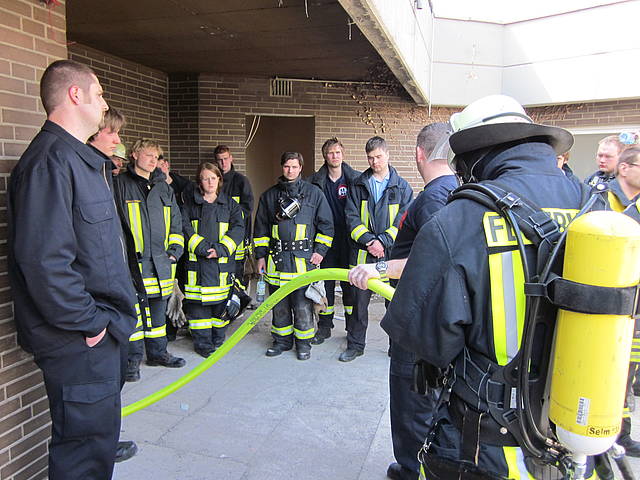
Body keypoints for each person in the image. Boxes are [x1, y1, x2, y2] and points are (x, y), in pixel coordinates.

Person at [382, 95, 602, 479]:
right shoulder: (595, 209)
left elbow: (426, 345)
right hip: (577, 435)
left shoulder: (459, 219)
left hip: (487, 447)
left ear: (475, 153)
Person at [8, 59, 138, 479]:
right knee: (83, 455)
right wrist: (91, 323)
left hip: (97, 333)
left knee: (96, 444)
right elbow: (44, 262)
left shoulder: (79, 160)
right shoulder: (50, 162)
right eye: (99, 94)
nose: (104, 104)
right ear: (75, 94)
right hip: (80, 339)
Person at [349, 123, 457, 480]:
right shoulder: (454, 191)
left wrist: (378, 268)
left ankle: (413, 469)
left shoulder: (434, 198)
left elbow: (436, 258)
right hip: (433, 320)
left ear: (419, 154)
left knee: (412, 402)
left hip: (418, 322)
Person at [114, 138, 186, 380]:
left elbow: (176, 221)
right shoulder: (120, 185)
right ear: (134, 155)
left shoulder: (164, 187)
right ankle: (131, 362)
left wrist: (174, 251)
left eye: (156, 157)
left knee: (158, 313)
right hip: (133, 265)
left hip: (161, 264)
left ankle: (157, 353)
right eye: (148, 155)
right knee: (133, 315)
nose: (153, 160)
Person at [253, 152, 334, 361]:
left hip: (303, 262)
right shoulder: (269, 196)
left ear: (301, 168)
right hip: (276, 261)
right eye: (287, 166)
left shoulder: (314, 194)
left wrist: (320, 251)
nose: (290, 170)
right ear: (282, 167)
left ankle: (304, 343)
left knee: (302, 306)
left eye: (294, 167)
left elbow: (326, 225)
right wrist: (260, 257)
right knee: (279, 306)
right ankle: (281, 341)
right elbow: (260, 229)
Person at [343, 136, 412, 362]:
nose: (375, 162)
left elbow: (403, 221)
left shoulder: (402, 187)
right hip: (363, 254)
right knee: (358, 305)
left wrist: (383, 241)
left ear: (388, 155)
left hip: (392, 256)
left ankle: (396, 348)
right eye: (370, 158)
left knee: (394, 305)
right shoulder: (358, 185)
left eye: (379, 157)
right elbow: (351, 218)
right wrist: (370, 242)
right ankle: (355, 346)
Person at [181, 162, 245, 357]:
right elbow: (184, 227)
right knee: (198, 312)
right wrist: (202, 248)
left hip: (221, 267)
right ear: (199, 182)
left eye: (213, 178)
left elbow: (238, 229)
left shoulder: (231, 205)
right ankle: (202, 344)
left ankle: (218, 339)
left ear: (219, 180)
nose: (209, 182)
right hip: (197, 268)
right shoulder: (189, 205)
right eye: (205, 178)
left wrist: (220, 250)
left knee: (220, 308)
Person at [308, 138, 359, 345]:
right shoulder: (314, 182)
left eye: (337, 152)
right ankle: (324, 326)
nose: (334, 156)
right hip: (325, 242)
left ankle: (352, 327)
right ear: (324, 156)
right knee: (326, 284)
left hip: (350, 241)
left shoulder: (356, 179)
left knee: (350, 285)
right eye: (330, 153)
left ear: (343, 154)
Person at [214, 145, 255, 314]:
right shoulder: (214, 181)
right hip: (217, 238)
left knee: (240, 272)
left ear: (231, 158)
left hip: (238, 239)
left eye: (225, 159)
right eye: (219, 160)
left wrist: (231, 220)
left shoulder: (241, 181)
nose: (223, 163)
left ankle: (240, 302)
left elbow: (248, 208)